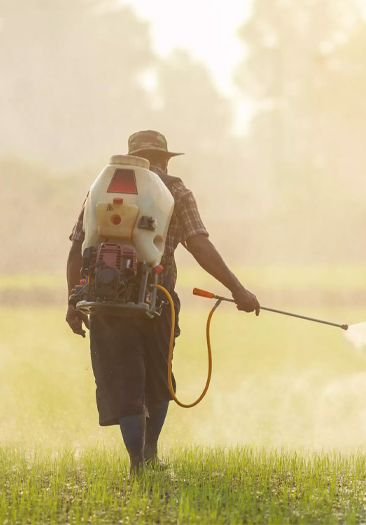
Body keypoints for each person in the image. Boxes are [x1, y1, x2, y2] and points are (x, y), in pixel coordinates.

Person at [65, 130, 260, 474]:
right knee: (158, 379)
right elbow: (199, 246)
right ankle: (150, 455)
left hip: (106, 303)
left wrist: (72, 302)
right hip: (158, 299)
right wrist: (238, 290)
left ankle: (137, 461)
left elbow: (78, 250)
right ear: (163, 159)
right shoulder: (177, 192)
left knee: (123, 380)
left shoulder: (102, 189)